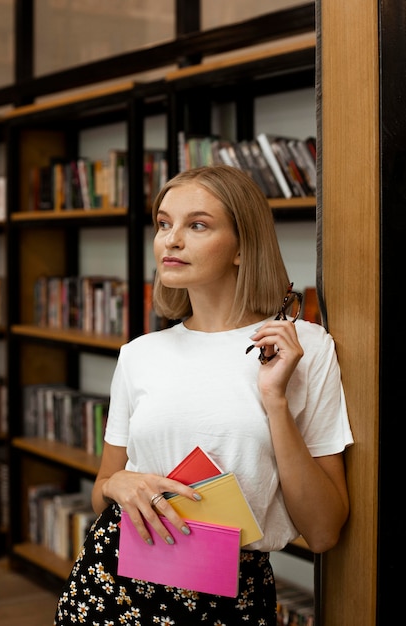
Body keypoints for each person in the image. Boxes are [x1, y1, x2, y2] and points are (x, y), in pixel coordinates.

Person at [54, 164, 353, 625]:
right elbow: (100, 493)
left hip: (231, 594)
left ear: (241, 247)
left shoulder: (304, 347)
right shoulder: (139, 355)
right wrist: (117, 484)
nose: (170, 240)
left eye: (197, 225)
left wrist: (274, 401)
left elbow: (323, 532)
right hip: (112, 584)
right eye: (163, 223)